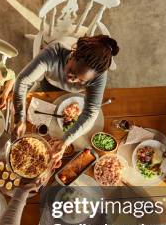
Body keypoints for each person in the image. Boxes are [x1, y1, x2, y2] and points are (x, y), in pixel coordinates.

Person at [12, 34, 119, 165]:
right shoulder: (53, 53)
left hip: (75, 97)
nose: (72, 81)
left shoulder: (98, 75)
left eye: (81, 80)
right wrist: (20, 116)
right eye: (72, 71)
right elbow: (22, 81)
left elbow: (91, 112)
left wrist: (66, 140)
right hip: (49, 85)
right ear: (74, 54)